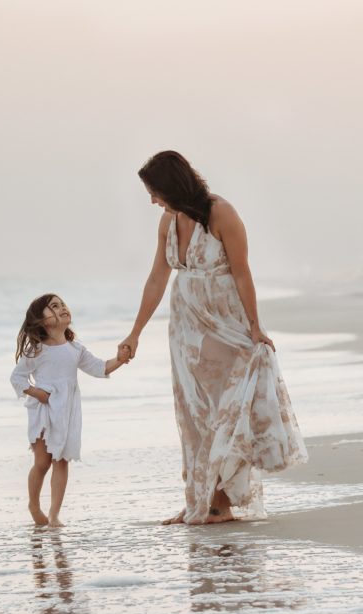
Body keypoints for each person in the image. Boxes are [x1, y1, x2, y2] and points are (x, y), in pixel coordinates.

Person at [119, 150, 308, 525]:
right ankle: (201, 499)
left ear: (173, 185)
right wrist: (135, 332)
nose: (153, 200)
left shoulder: (222, 214)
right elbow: (157, 279)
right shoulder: (167, 221)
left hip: (226, 324)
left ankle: (219, 503)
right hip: (186, 330)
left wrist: (255, 326)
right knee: (195, 416)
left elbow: (241, 273)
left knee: (227, 411)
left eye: (155, 192)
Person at [11, 293, 130, 527]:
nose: (62, 308)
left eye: (62, 304)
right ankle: (34, 505)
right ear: (41, 321)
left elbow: (100, 367)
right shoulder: (36, 351)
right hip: (43, 412)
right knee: (43, 462)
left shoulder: (75, 349)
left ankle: (54, 514)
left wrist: (121, 358)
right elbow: (17, 378)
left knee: (62, 460)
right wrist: (39, 394)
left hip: (67, 411)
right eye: (54, 306)